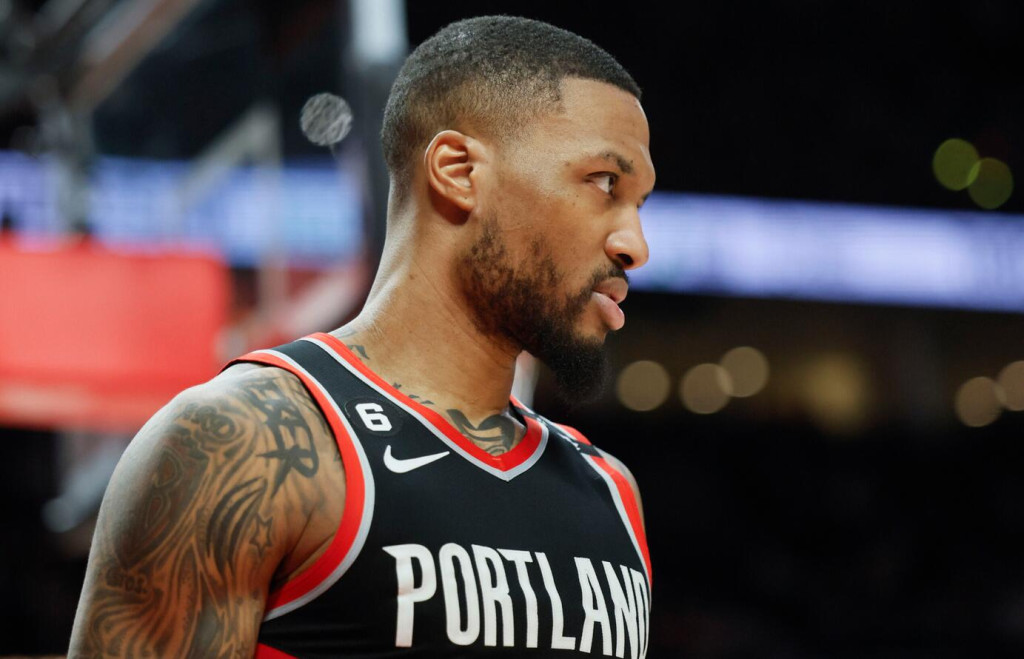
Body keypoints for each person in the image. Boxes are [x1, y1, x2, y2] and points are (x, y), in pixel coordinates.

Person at [68, 15, 655, 658]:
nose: (635, 245)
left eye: (640, 204)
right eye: (606, 184)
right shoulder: (244, 442)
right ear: (458, 171)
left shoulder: (611, 491)